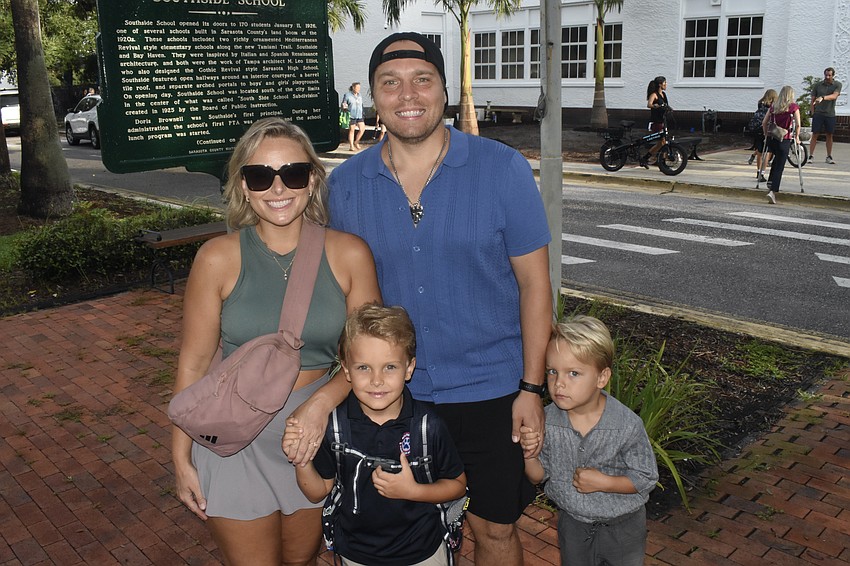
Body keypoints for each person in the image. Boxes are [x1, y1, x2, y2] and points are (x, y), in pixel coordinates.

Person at [325, 32, 552, 566]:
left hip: (492, 391)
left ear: (444, 91)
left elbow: (535, 286)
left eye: (422, 80)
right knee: (385, 536)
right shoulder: (346, 186)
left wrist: (531, 388)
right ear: (373, 97)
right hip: (387, 397)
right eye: (391, 83)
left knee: (494, 532)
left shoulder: (503, 170)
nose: (408, 94)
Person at [171, 117, 381, 566]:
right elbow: (193, 363)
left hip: (313, 433)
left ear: (313, 179)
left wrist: (321, 403)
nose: (278, 188)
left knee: (300, 559)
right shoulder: (217, 258)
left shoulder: (349, 254)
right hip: (232, 438)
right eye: (261, 176)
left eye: (294, 173)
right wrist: (180, 456)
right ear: (243, 186)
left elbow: (370, 358)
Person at [288, 303, 467, 566]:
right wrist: (301, 459)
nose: (376, 380)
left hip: (422, 552)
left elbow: (458, 485)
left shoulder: (428, 427)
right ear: (346, 369)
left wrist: (413, 491)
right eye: (363, 368)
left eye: (390, 367)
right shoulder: (335, 425)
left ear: (409, 368)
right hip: (356, 554)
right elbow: (318, 492)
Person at [522, 316, 658, 566]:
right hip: (573, 525)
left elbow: (646, 477)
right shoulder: (547, 421)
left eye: (573, 373)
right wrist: (529, 453)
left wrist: (606, 482)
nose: (559, 383)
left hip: (623, 528)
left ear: (601, 377)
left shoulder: (625, 425)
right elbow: (537, 476)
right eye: (552, 371)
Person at [762, 85, 801, 204]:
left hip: (772, 138)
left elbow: (764, 122)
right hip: (784, 139)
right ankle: (773, 191)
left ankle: (770, 182)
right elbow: (798, 124)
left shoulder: (774, 107)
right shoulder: (793, 107)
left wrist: (765, 135)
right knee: (780, 165)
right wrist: (797, 137)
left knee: (775, 160)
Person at [809, 67, 842, 165]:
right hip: (818, 113)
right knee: (815, 134)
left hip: (830, 114)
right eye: (826, 75)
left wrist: (823, 97)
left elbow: (834, 96)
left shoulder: (837, 85)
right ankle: (811, 155)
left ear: (833, 75)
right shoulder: (818, 85)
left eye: (829, 75)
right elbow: (813, 99)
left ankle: (829, 156)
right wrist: (812, 111)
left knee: (829, 134)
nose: (827, 77)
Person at [748, 89, 777, 183]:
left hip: (757, 129)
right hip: (766, 129)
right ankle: (763, 173)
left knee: (760, 151)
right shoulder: (773, 106)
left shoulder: (760, 103)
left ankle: (758, 171)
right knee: (767, 152)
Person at [644, 76, 670, 166]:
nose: (666, 85)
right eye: (664, 83)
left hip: (663, 120)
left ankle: (648, 157)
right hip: (656, 121)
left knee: (661, 143)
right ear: (660, 84)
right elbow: (649, 104)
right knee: (662, 142)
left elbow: (665, 105)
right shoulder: (654, 94)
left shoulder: (664, 95)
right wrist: (656, 106)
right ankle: (661, 160)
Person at [341, 82, 366, 151]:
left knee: (362, 129)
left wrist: (363, 113)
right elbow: (344, 103)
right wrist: (345, 108)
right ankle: (351, 146)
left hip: (359, 115)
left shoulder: (359, 95)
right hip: (351, 115)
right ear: (353, 88)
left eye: (359, 88)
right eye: (357, 88)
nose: (359, 89)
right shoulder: (347, 95)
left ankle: (356, 141)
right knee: (352, 130)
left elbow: (361, 105)